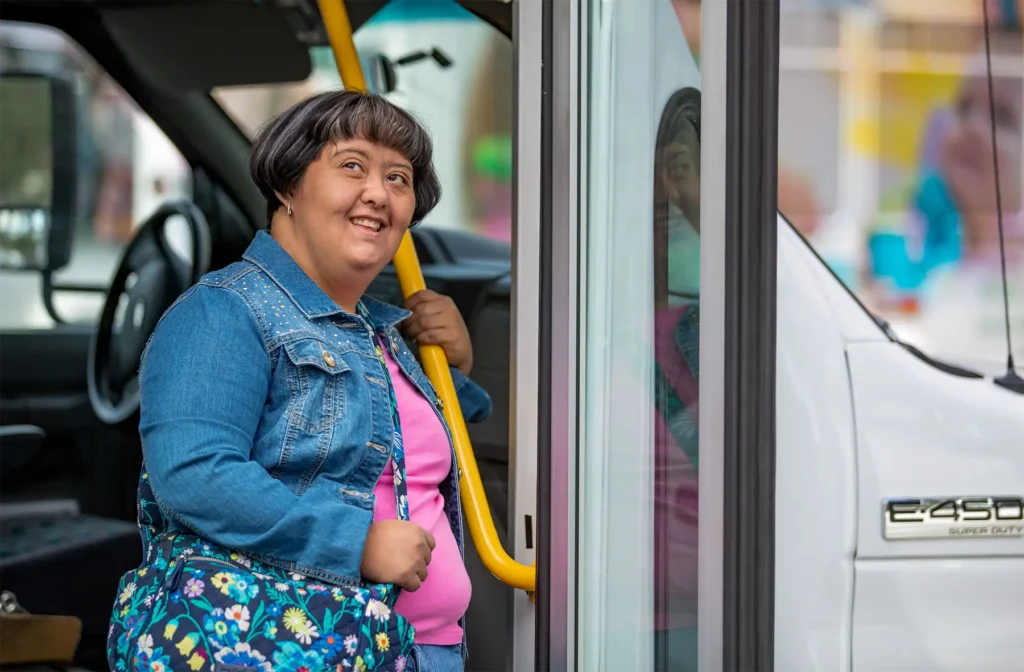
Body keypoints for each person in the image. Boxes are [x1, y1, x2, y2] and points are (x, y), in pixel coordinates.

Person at [107, 90, 490, 672]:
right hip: (302, 649)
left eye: (399, 178)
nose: (378, 193)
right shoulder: (224, 312)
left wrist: (454, 368)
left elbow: (399, 447)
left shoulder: (376, 334)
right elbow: (195, 473)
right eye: (352, 166)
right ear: (287, 185)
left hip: (419, 650)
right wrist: (355, 542)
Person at [651, 86, 701, 672]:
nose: (664, 191)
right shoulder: (573, 335)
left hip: (712, 606)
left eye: (679, 169)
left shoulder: (728, 323)